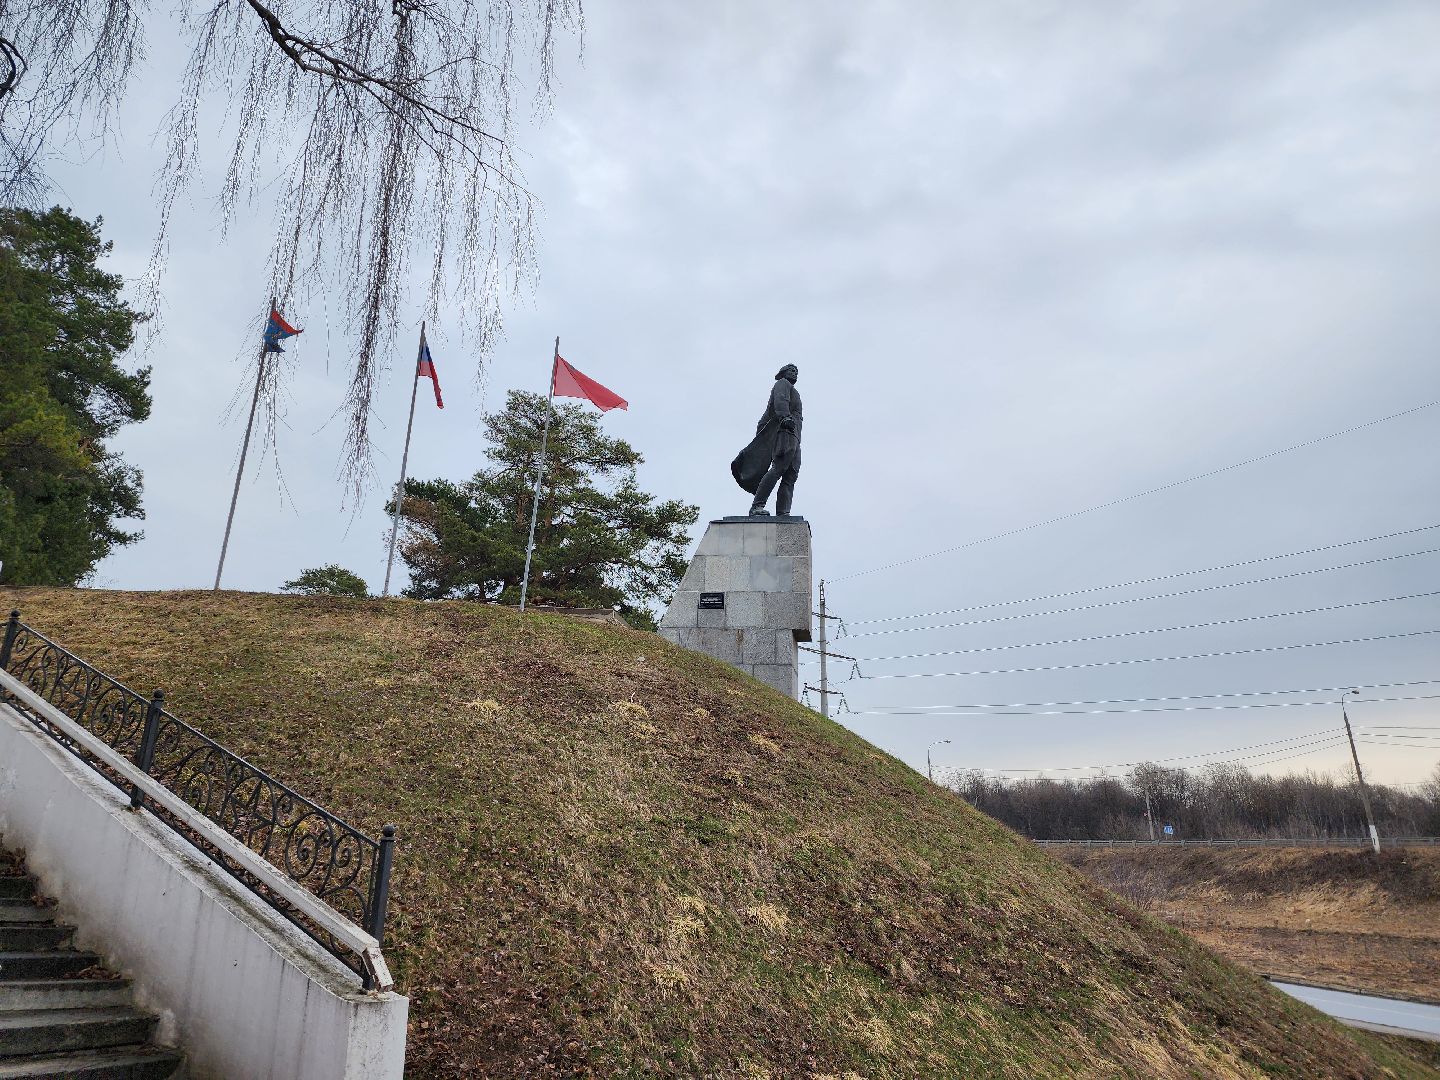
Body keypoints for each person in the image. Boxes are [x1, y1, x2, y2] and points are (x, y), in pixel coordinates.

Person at [730, 364, 802, 517]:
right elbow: (780, 400)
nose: (794, 373)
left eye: (796, 371)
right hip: (785, 431)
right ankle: (757, 506)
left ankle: (783, 513)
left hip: (795, 436)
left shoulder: (795, 391)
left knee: (791, 475)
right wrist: (785, 417)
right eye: (791, 370)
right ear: (782, 373)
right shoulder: (782, 383)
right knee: (779, 468)